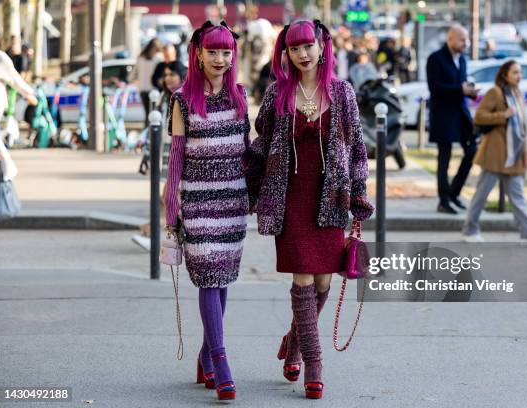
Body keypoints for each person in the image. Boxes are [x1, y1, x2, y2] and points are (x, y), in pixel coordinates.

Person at [246, 19, 374, 399]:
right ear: (285, 52)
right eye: (294, 48)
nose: (302, 54)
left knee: (323, 281)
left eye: (308, 46)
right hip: (289, 200)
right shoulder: (276, 95)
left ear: (322, 48)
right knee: (302, 277)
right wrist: (247, 188)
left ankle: (296, 342)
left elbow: (357, 151)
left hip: (330, 198)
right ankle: (314, 365)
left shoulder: (342, 93)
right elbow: (260, 144)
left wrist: (358, 195)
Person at [164, 21, 250, 401]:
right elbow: (176, 159)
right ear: (197, 54)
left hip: (232, 201)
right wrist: (171, 209)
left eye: (226, 52)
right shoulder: (182, 99)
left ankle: (204, 356)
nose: (220, 59)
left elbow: (247, 153)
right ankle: (220, 359)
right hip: (197, 202)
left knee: (223, 276)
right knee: (208, 278)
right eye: (212, 51)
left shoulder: (241, 97)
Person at [462, 60, 527, 242]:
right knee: (481, 196)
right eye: (515, 73)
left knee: (518, 197)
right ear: (505, 75)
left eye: (520, 73)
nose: (519, 76)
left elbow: (523, 126)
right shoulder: (495, 92)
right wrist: (503, 115)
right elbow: (479, 116)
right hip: (495, 154)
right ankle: (470, 230)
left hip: (514, 155)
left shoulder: (517, 93)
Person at [133, 60, 188, 251]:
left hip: (181, 159)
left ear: (182, 75)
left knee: (169, 198)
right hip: (168, 157)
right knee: (167, 198)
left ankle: (160, 237)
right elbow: (155, 125)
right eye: (165, 75)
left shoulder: (184, 97)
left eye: (172, 74)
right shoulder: (166, 98)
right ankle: (158, 235)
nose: (168, 79)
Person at [426, 24, 478, 214]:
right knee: (444, 158)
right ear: (451, 39)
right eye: (463, 39)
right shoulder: (436, 59)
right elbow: (435, 87)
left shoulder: (462, 60)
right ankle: (444, 200)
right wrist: (460, 90)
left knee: (472, 150)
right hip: (443, 116)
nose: (467, 43)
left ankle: (454, 193)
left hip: (461, 114)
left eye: (467, 39)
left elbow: (460, 85)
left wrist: (470, 93)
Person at [0, 43, 37, 181]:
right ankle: (7, 163)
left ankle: (8, 163)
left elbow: (15, 79)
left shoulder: (0, 57)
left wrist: (29, 94)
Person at [131, 38, 163, 126]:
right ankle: (153, 136)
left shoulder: (141, 57)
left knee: (148, 114)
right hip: (154, 90)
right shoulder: (159, 58)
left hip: (143, 89)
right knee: (156, 114)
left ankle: (147, 135)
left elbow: (133, 74)